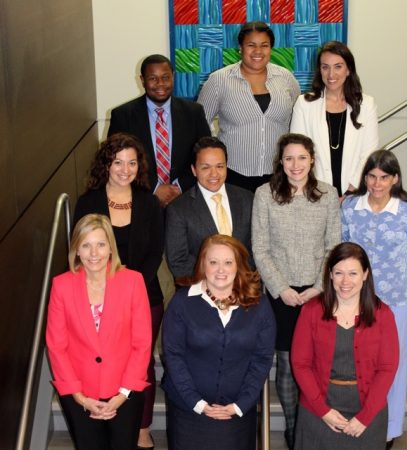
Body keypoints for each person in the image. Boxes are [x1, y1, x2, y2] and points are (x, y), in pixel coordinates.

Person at [73, 133, 164, 449]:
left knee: (142, 362)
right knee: (102, 358)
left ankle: (141, 427)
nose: (125, 169)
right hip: (96, 295)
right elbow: (81, 250)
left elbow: (156, 251)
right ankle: (102, 415)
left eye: (132, 162)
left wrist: (130, 289)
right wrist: (110, 290)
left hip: (144, 295)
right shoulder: (89, 202)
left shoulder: (149, 202)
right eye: (118, 162)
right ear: (106, 165)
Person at [252, 133, 341, 449]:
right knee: (288, 366)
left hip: (318, 294)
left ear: (312, 159)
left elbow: (334, 246)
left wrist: (319, 286)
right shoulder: (265, 195)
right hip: (282, 295)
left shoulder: (328, 195)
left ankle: (313, 425)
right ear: (280, 161)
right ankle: (293, 430)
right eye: (288, 158)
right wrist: (281, 289)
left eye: (302, 157)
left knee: (318, 364)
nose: (295, 165)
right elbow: (260, 248)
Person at [341, 150, 407, 448]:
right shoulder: (351, 208)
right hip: (355, 298)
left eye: (384, 177)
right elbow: (343, 246)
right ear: (365, 178)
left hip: (396, 299)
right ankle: (358, 419)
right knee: (356, 360)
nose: (377, 184)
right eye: (372, 177)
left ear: (395, 178)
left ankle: (389, 428)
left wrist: (391, 278)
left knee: (393, 363)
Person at [46, 214, 152, 450]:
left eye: (101, 244)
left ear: (111, 247)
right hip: (79, 393)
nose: (94, 253)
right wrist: (79, 396)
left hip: (125, 392)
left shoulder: (133, 281)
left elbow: (142, 343)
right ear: (76, 250)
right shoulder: (61, 285)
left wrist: (123, 394)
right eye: (86, 245)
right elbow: (56, 346)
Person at [162, 234, 276, 450]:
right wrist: (197, 403)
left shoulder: (258, 305)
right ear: (203, 264)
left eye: (228, 262)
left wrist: (240, 405)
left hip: (236, 415)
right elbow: (173, 356)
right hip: (189, 412)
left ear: (239, 265)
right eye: (213, 262)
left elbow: (262, 359)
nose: (220, 269)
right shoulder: (182, 302)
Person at [291, 242, 399, 450]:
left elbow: (387, 368)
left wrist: (365, 417)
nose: (345, 281)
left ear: (365, 274)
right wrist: (323, 411)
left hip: (367, 414)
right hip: (317, 410)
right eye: (339, 273)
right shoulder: (311, 311)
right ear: (330, 275)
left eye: (353, 273)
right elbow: (300, 364)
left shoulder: (383, 314)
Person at [198, 21, 301, 193]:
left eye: (264, 45)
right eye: (251, 45)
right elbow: (199, 125)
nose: (258, 51)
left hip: (279, 174)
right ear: (240, 47)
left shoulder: (286, 78)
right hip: (233, 175)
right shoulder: (219, 80)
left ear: (271, 48)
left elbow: (298, 123)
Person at [108, 54, 211, 207]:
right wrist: (155, 187)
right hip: (140, 199)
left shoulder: (194, 112)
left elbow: (206, 154)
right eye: (153, 78)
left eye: (165, 77)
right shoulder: (123, 116)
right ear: (142, 80)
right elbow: (113, 161)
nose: (160, 84)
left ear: (173, 77)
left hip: (186, 198)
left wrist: (179, 187)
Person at [290, 41, 378, 198]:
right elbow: (298, 153)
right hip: (314, 192)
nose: (331, 74)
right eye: (325, 67)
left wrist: (351, 192)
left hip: (355, 193)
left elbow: (369, 153)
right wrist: (318, 191)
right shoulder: (304, 104)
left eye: (338, 66)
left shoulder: (366, 105)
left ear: (348, 69)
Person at [165, 136, 253, 283]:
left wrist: (240, 276)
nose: (214, 174)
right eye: (205, 167)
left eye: (220, 166)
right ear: (194, 170)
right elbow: (178, 262)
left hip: (245, 284)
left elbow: (257, 247)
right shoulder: (178, 209)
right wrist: (217, 280)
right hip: (202, 288)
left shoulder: (247, 199)